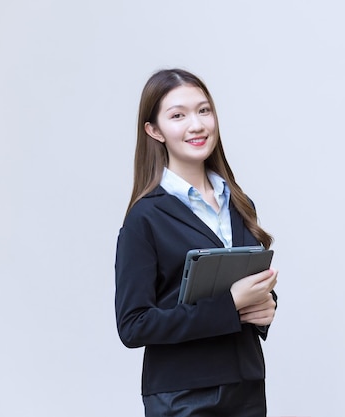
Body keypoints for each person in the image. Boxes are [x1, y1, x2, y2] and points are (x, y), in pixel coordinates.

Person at [115, 68, 278, 417]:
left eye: (204, 110)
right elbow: (133, 325)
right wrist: (230, 305)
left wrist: (266, 307)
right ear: (154, 130)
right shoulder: (145, 217)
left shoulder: (239, 202)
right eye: (178, 115)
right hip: (182, 395)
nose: (197, 125)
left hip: (246, 385)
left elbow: (240, 284)